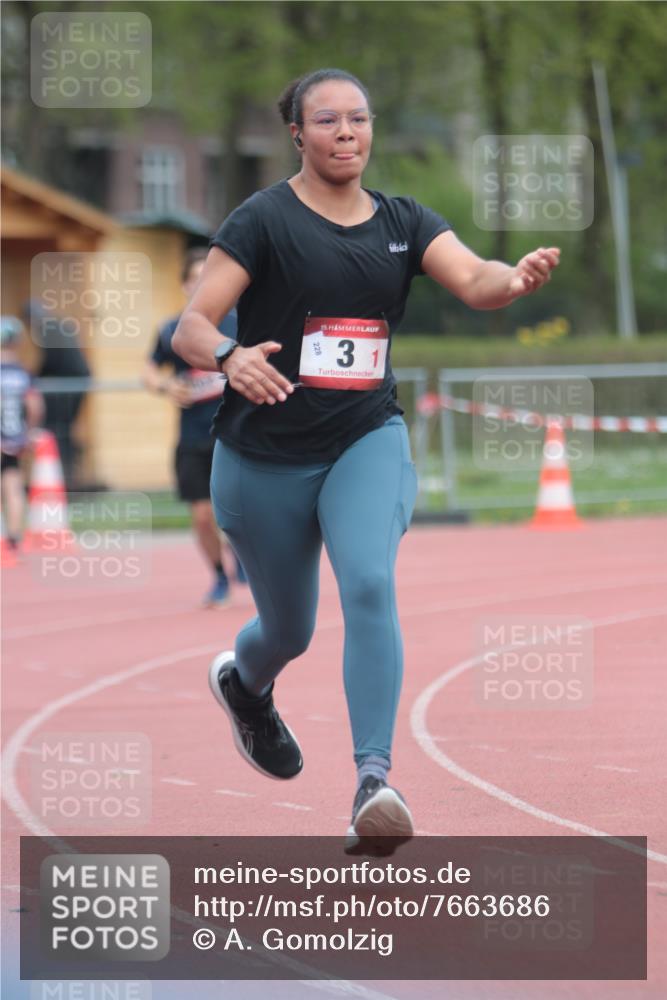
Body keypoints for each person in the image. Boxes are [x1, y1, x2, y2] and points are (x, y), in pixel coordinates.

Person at [172, 68, 559, 853]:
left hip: (362, 435)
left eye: (358, 119)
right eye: (327, 121)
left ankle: (373, 782)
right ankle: (245, 688)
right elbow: (190, 323)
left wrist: (510, 281)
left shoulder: (404, 221)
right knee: (289, 630)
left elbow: (474, 277)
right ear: (297, 134)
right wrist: (227, 353)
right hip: (262, 456)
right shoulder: (264, 220)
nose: (346, 133)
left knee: (371, 581)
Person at [142, 248, 246, 608]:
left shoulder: (241, 323)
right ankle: (219, 575)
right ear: (185, 286)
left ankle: (244, 554)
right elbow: (149, 369)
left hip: (237, 435)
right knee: (203, 517)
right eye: (194, 279)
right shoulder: (173, 330)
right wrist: (165, 386)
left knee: (241, 510)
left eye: (208, 277)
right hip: (192, 437)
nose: (202, 285)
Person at [24, 300, 90, 490]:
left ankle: (65, 475)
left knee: (58, 428)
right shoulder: (58, 324)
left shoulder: (47, 328)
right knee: (64, 428)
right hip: (76, 379)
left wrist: (34, 378)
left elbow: (52, 360)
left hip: (69, 382)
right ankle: (67, 472)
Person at [1, 317, 44, 556]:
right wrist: (27, 432)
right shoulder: (23, 373)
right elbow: (35, 406)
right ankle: (13, 539)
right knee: (13, 486)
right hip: (14, 437)